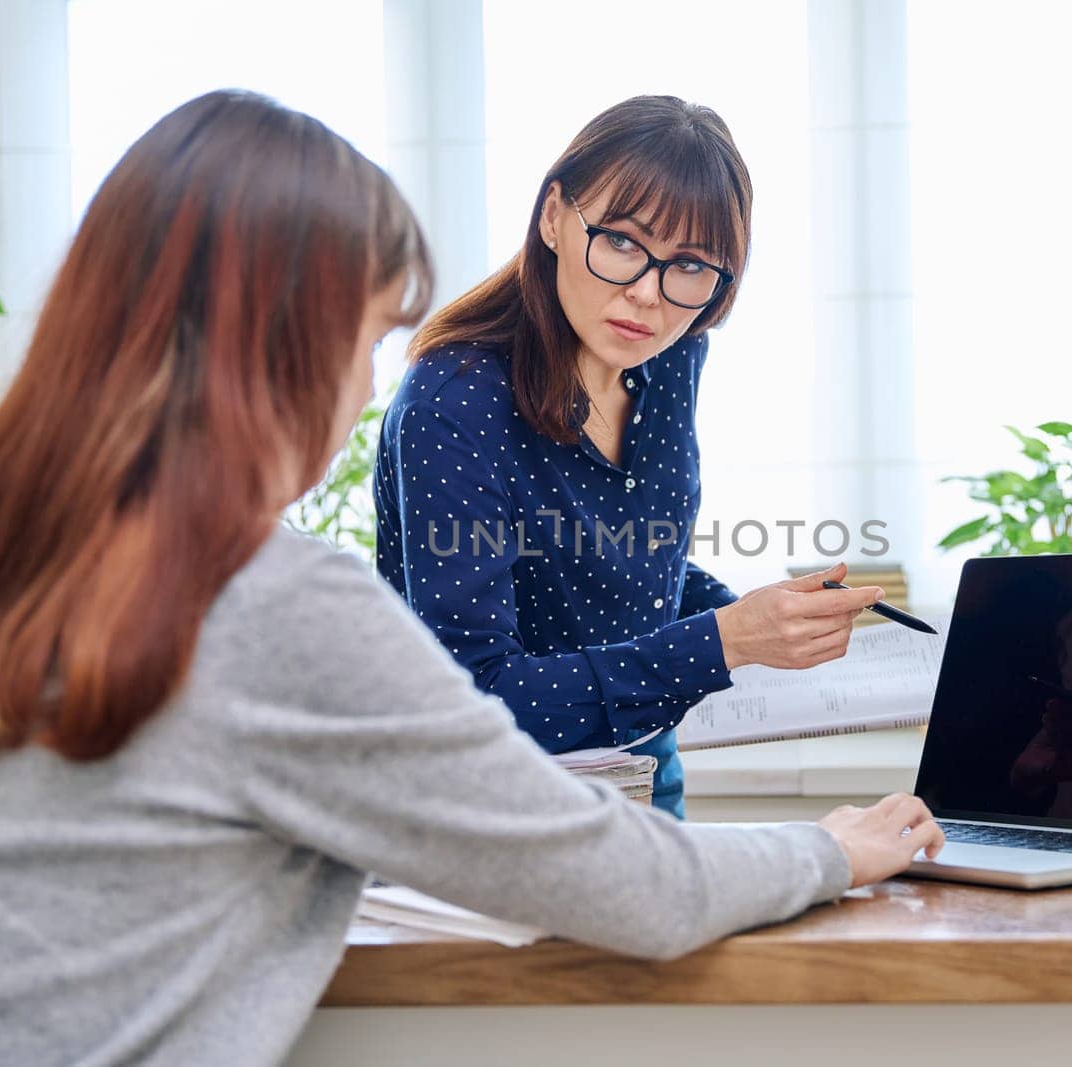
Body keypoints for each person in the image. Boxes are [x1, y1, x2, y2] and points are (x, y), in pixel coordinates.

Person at [0, 91, 943, 1066]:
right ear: (289, 343)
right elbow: (640, 887)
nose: (370, 389)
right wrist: (830, 846)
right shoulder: (279, 599)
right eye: (369, 337)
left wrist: (739, 615)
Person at [375, 95, 884, 816]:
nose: (648, 294)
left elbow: (622, 562)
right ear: (554, 215)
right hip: (486, 805)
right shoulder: (455, 400)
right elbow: (479, 697)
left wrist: (763, 617)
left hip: (642, 769)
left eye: (691, 266)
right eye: (620, 241)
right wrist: (723, 641)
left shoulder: (671, 356)